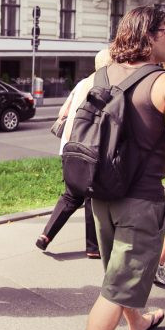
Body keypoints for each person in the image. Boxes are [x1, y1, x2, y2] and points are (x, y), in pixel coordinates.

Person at [74, 6, 165, 330]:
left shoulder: (101, 75)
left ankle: (138, 324)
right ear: (153, 34)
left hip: (102, 195)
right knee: (114, 289)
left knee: (118, 275)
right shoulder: (159, 82)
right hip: (141, 201)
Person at [35, 49, 112, 258]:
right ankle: (93, 248)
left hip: (68, 147)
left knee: (71, 194)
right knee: (90, 196)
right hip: (89, 148)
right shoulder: (106, 85)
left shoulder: (82, 83)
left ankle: (45, 235)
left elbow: (63, 113)